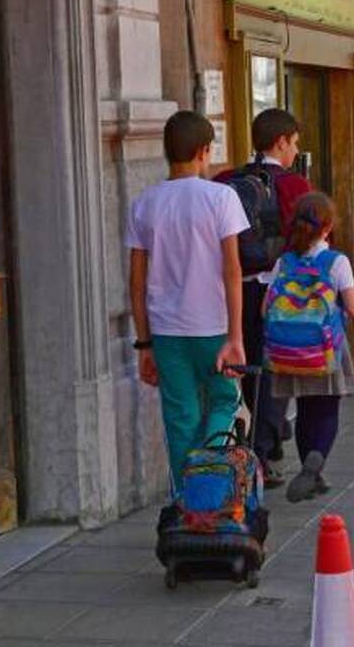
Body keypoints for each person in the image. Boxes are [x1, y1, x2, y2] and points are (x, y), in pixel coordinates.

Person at [126, 110, 247, 493]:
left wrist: (143, 343)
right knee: (225, 400)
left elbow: (137, 281)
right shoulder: (221, 197)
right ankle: (212, 486)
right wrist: (236, 336)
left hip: (166, 332)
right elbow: (232, 271)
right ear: (203, 151)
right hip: (212, 326)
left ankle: (187, 502)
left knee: (180, 418)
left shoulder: (145, 203)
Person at [213, 108, 313, 487]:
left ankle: (248, 442)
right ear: (281, 141)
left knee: (245, 368)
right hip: (277, 290)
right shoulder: (295, 187)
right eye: (295, 143)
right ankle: (265, 451)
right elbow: (311, 241)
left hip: (233, 289)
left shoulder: (225, 180)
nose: (295, 150)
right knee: (275, 372)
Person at [262, 193, 354, 503]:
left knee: (304, 408)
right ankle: (315, 460)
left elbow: (265, 309)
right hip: (326, 348)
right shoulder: (336, 262)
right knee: (327, 408)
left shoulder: (284, 261)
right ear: (328, 227)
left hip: (290, 351)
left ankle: (311, 472)